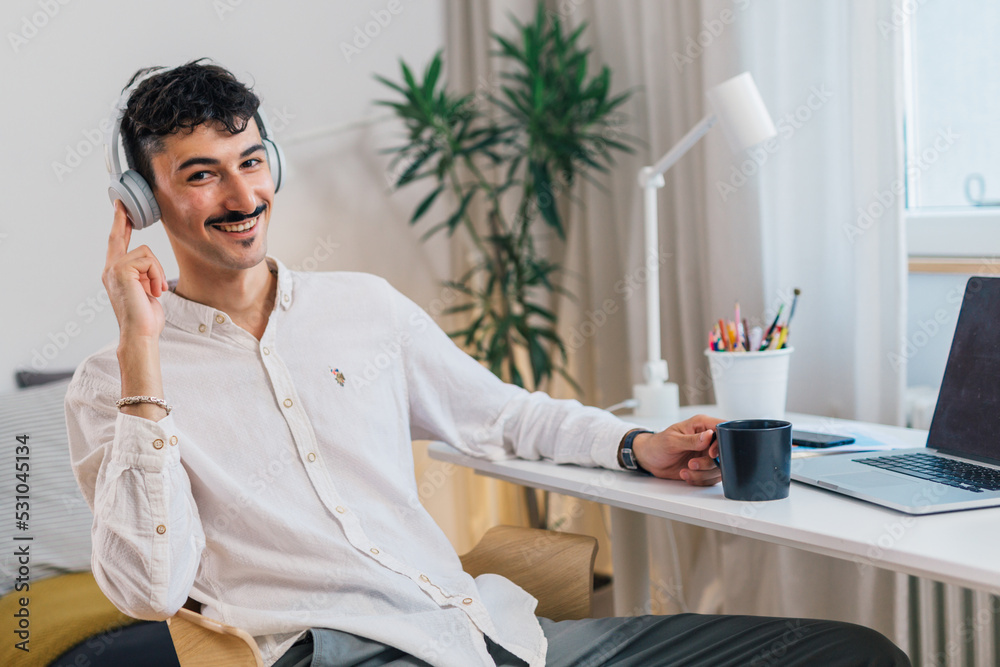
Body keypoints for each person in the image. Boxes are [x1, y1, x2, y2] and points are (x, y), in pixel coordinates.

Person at [66, 60, 910, 667]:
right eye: (202, 176)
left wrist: (636, 445)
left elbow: (502, 414)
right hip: (334, 651)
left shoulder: (365, 308)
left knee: (852, 651)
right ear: (142, 202)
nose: (243, 198)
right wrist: (144, 350)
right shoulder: (114, 384)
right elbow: (147, 587)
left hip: (486, 633)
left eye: (250, 162)